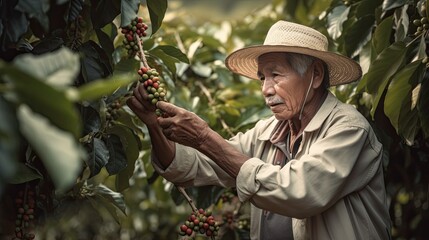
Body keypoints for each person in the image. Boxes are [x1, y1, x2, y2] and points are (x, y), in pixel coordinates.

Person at [127, 20, 391, 239]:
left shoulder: (348, 129)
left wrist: (204, 136)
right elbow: (187, 167)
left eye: (276, 75)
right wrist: (153, 124)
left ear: (316, 75)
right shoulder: (267, 132)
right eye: (263, 77)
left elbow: (299, 193)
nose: (266, 89)